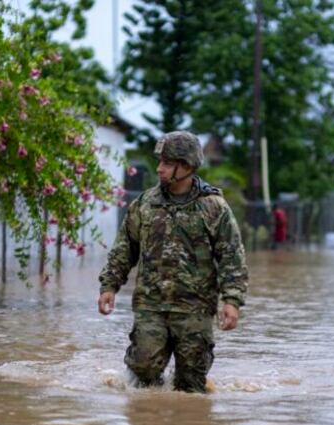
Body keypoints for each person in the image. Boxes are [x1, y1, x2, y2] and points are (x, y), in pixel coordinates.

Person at [97, 131, 248, 393]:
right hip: (151, 305)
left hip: (194, 309)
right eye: (160, 162)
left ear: (187, 166)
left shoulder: (213, 207)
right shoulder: (145, 204)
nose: (159, 169)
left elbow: (231, 257)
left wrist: (232, 301)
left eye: (167, 163)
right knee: (142, 370)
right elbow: (124, 249)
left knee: (191, 385)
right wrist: (109, 286)